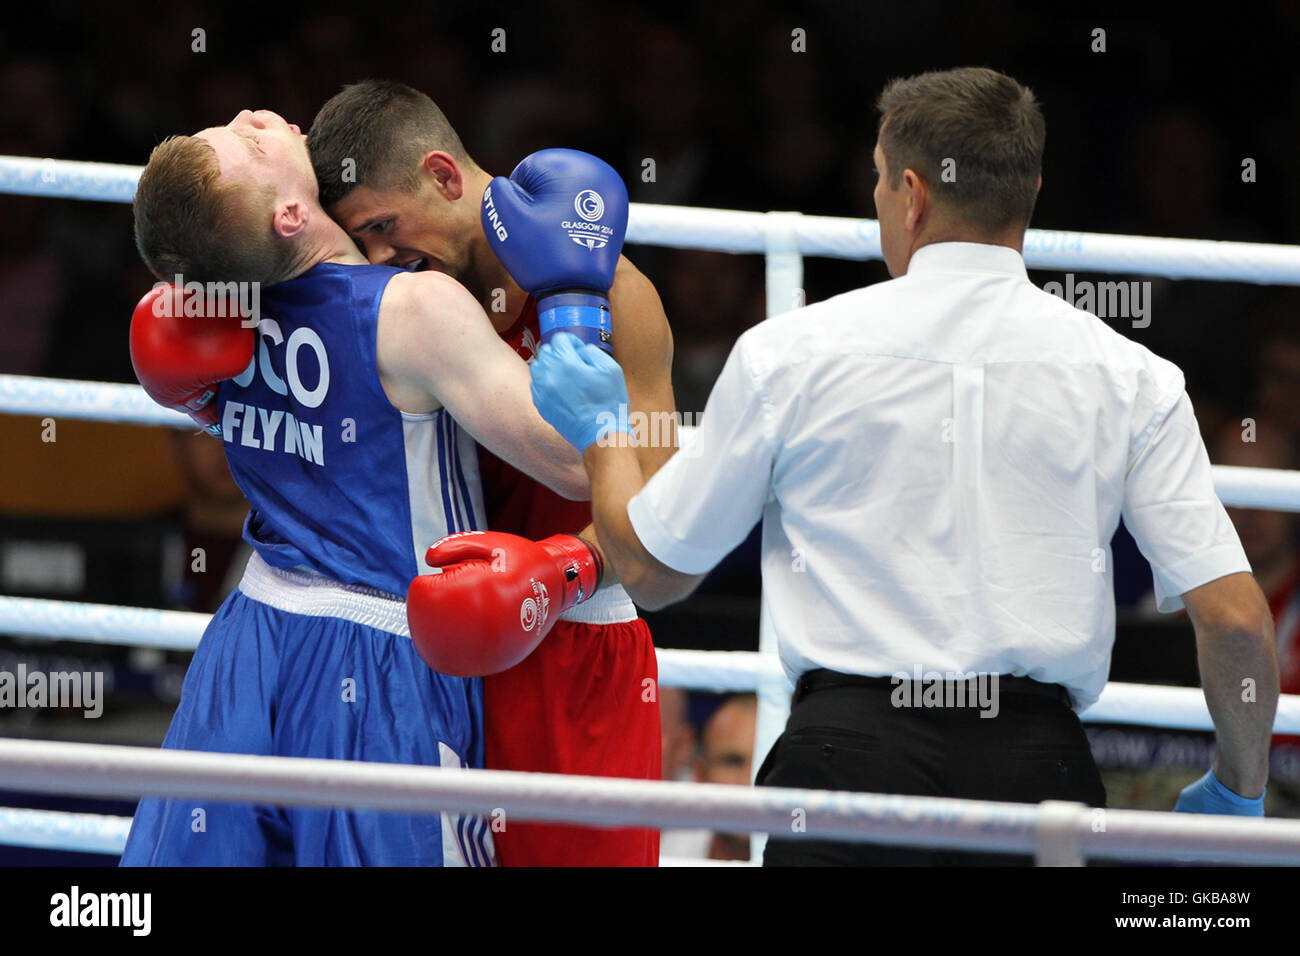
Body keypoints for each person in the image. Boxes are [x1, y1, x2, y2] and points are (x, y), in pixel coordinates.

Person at [524, 67, 1280, 865]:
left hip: (843, 768)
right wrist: (1239, 786)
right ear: (1031, 190)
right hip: (1038, 777)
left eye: (880, 184)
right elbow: (1234, 619)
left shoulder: (791, 353)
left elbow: (649, 570)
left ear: (911, 192)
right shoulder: (1134, 376)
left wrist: (605, 430)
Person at [120, 108, 597, 866]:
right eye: (248, 141)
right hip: (379, 654)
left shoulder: (223, 298)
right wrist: (576, 297)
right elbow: (581, 463)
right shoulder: (414, 308)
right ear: (286, 215)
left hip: (249, 639)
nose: (252, 116)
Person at [307, 80, 676, 866]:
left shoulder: (613, 296)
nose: (377, 257)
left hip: (572, 657)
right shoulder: (389, 306)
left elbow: (664, 522)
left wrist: (558, 573)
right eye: (358, 240)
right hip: (411, 657)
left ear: (443, 176)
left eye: (381, 226)